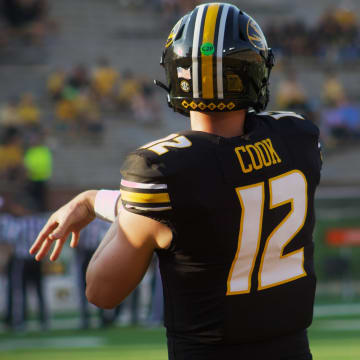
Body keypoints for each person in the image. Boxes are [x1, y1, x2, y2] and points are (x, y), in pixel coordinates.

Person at [30, 3, 322, 360]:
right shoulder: (297, 138)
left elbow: (101, 292)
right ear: (256, 70)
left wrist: (102, 202)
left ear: (176, 74)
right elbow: (222, 189)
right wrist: (97, 200)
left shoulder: (164, 170)